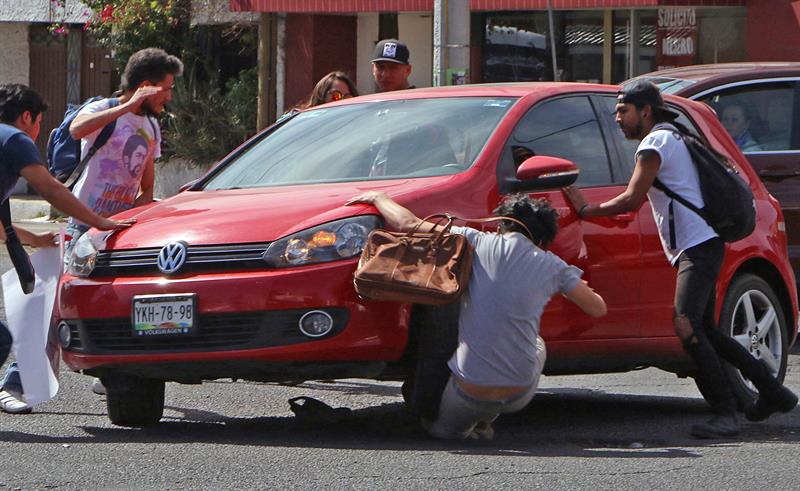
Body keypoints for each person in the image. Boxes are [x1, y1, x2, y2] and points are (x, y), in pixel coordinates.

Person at [563, 80, 797, 439]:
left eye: (623, 111)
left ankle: (725, 413)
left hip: (698, 247)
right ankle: (774, 392)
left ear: (645, 111)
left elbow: (630, 199)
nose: (618, 119)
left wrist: (584, 208)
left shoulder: (654, 143)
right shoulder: (672, 135)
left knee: (686, 324)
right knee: (708, 331)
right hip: (701, 245)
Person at [346, 191, 606, 440]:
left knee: (443, 433)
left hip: (470, 389)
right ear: (542, 236)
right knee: (537, 343)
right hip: (519, 393)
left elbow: (408, 223)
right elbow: (598, 308)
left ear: (501, 223)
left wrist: (378, 198)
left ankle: (473, 423)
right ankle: (487, 417)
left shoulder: (473, 241)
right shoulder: (554, 266)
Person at [0, 83, 133, 414]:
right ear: (27, 116)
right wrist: (98, 220)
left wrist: (33, 239)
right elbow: (50, 189)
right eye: (39, 123)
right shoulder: (13, 139)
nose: (38, 132)